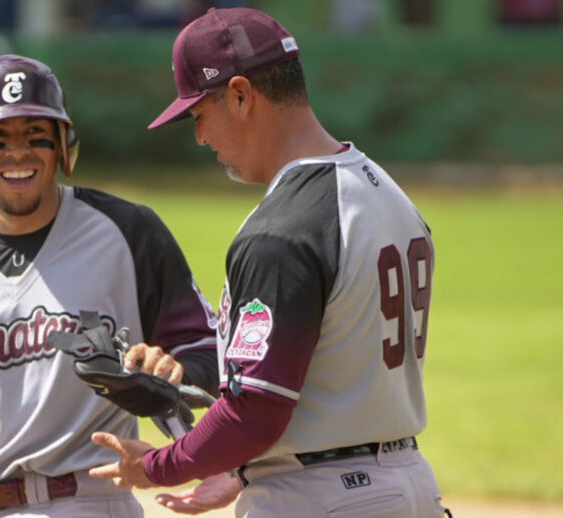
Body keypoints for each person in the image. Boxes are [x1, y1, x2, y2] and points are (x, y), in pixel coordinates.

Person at [89, 7, 450, 517]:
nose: (200, 137)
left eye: (199, 114)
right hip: (407, 482)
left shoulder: (281, 230)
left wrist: (157, 466)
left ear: (240, 94)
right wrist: (240, 472)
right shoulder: (384, 190)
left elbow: (255, 411)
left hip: (317, 499)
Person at [0, 54, 219, 517]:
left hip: (94, 500)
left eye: (35, 134)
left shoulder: (126, 231)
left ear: (63, 143)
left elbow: (210, 346)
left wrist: (173, 369)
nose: (17, 152)